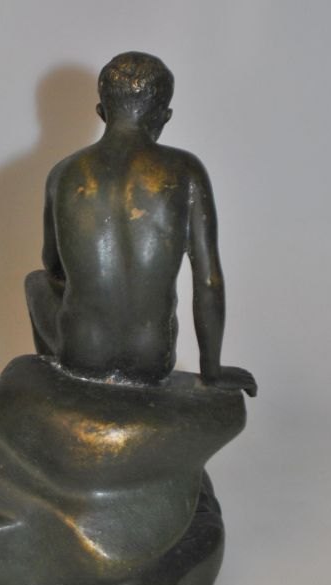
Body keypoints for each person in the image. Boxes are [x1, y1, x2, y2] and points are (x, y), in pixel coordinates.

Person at [26, 52, 256, 395]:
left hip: (83, 353)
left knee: (36, 283)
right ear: (165, 117)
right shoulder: (186, 171)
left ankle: (60, 390)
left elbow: (52, 264)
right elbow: (208, 281)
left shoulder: (63, 173)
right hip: (152, 359)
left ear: (101, 112)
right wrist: (212, 372)